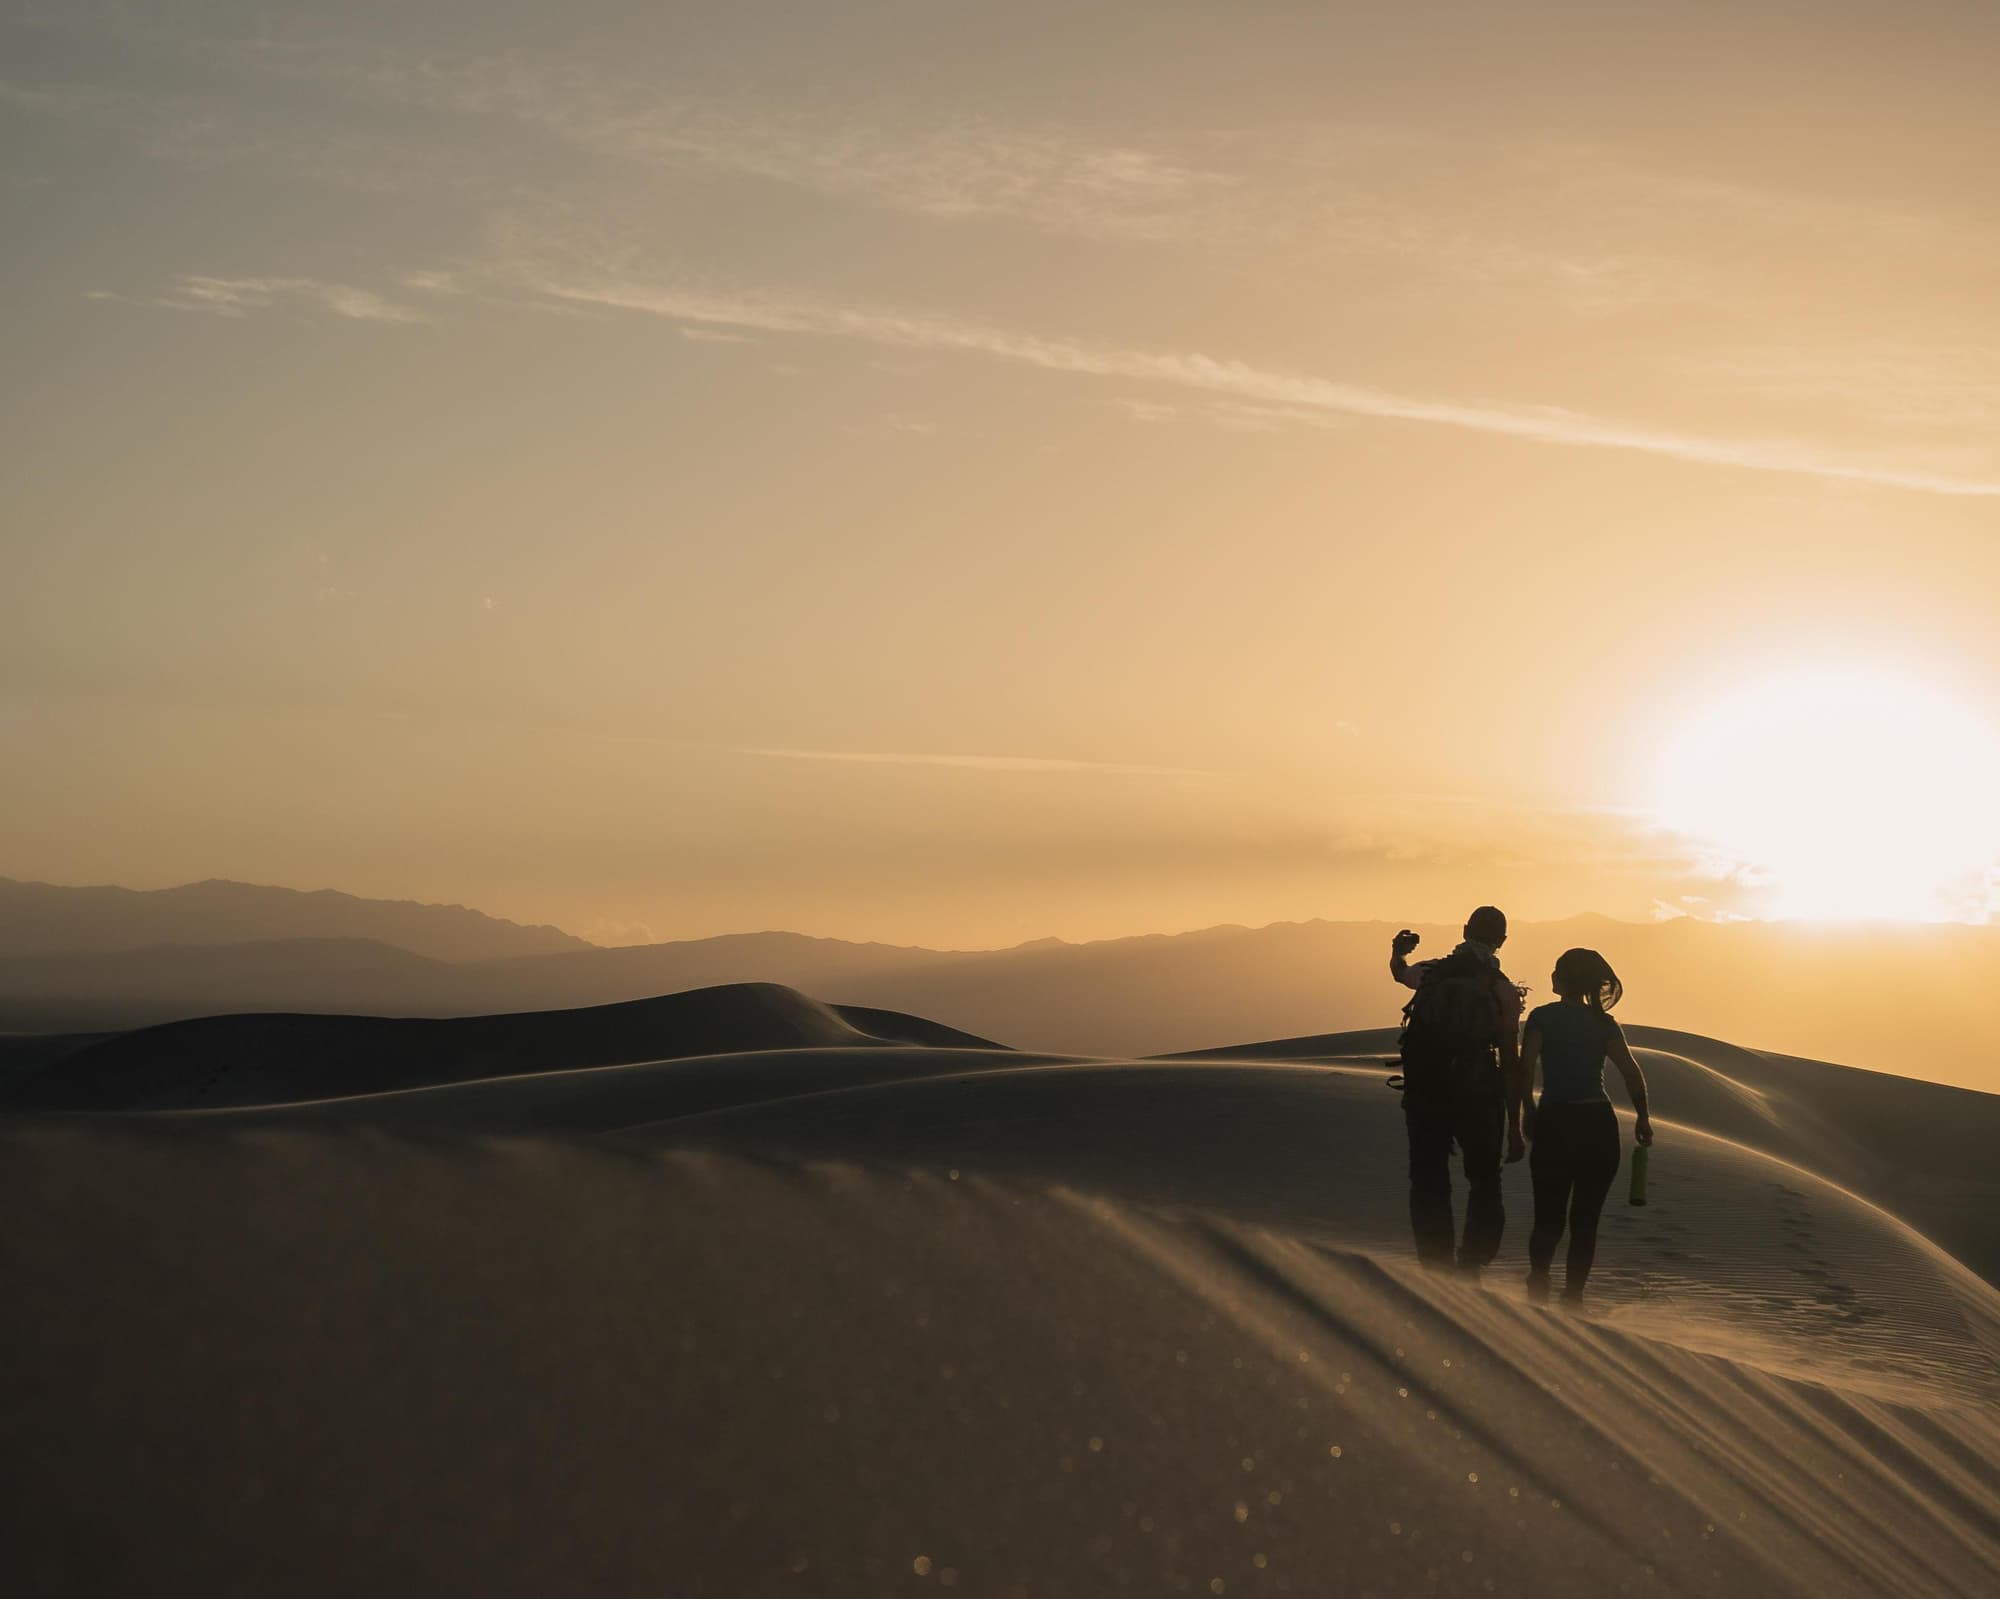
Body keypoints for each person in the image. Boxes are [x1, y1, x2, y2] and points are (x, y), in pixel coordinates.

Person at [1389, 906, 1526, 1274]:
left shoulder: (1432, 973)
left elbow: (1401, 974)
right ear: (1502, 941)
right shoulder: (1502, 991)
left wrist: (1398, 951)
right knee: (1484, 1179)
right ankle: (1471, 1265)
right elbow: (1511, 1063)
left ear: (1465, 930)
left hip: (1426, 1091)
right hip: (1479, 1094)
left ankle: (1435, 1266)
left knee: (1428, 1177)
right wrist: (1515, 1126)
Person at [1520, 948, 1654, 1306]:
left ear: (1562, 978)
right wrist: (1642, 1116)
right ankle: (1573, 1298)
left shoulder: (1542, 1018)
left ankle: (1538, 1285)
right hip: (1598, 1126)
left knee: (1548, 1216)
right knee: (1585, 1220)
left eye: (1555, 969)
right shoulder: (1603, 1023)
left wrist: (1526, 1109)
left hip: (1557, 1122)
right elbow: (1630, 1071)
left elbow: (1525, 1066)